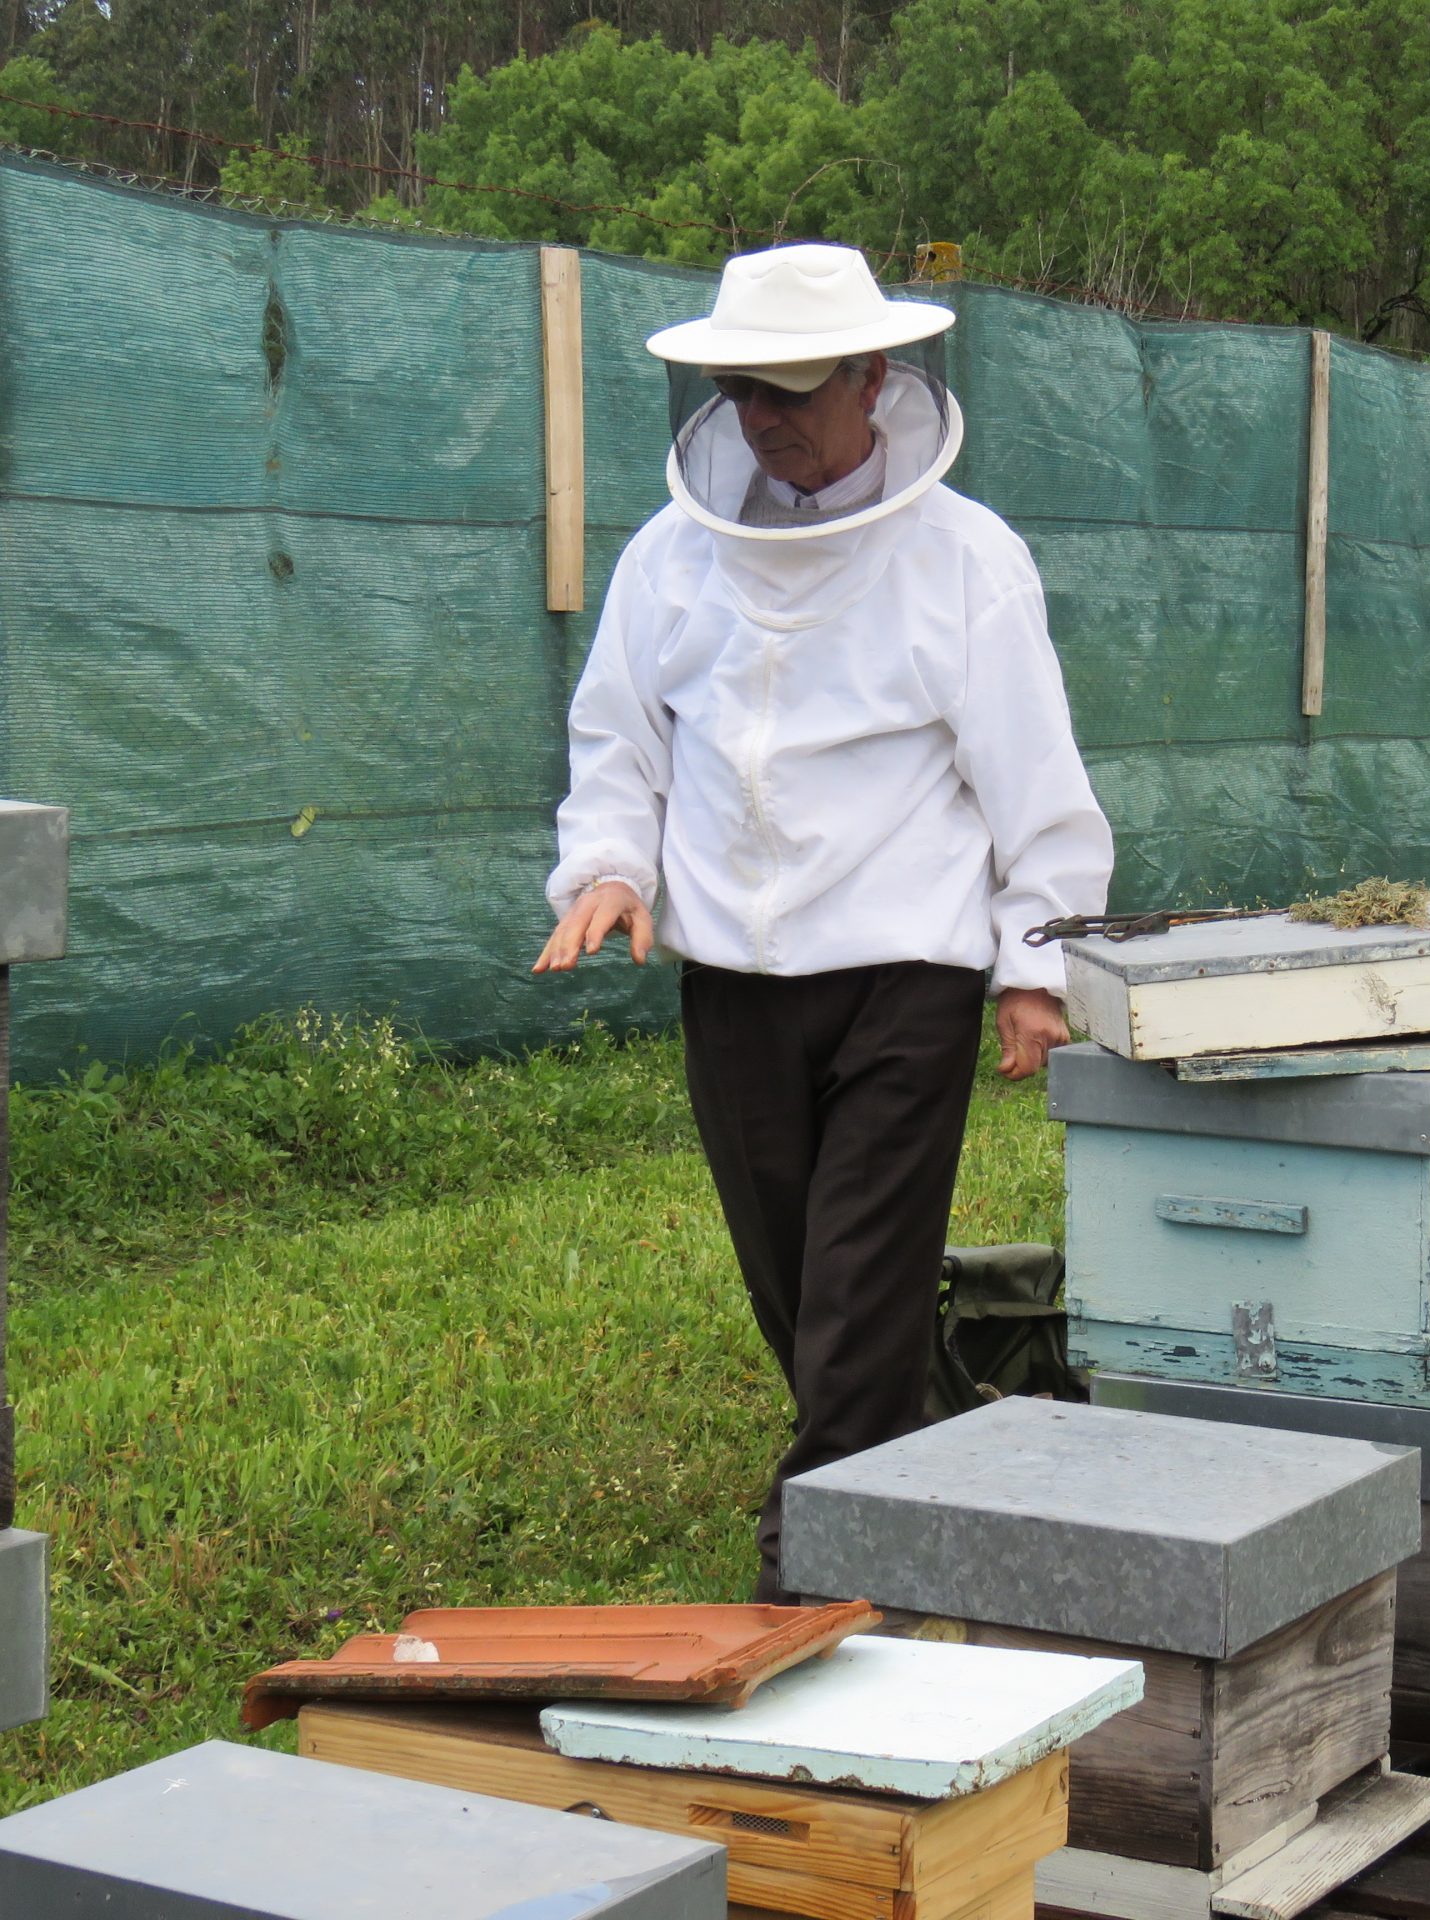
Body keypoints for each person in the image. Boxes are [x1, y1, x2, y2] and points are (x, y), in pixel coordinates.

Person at [533, 242, 1112, 1599]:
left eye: (792, 389)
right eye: (743, 390)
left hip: (905, 974)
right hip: (733, 978)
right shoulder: (670, 559)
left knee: (856, 1289)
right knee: (803, 1292)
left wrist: (1037, 960)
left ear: (871, 379)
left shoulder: (967, 562)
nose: (767, 417)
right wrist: (611, 866)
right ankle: (943, 1469)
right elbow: (618, 736)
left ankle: (806, 1593)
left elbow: (1032, 776)